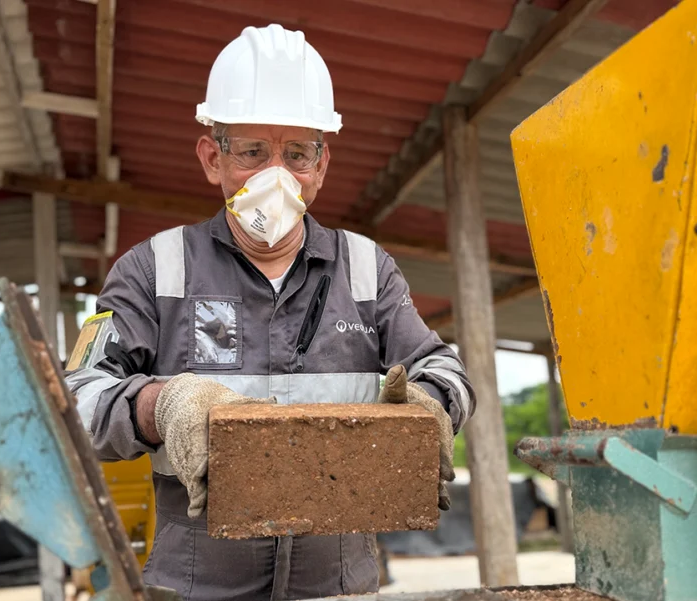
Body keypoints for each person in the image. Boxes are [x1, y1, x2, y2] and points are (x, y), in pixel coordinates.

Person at [64, 23, 475, 601]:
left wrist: (431, 406)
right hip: (197, 586)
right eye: (253, 151)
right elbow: (75, 401)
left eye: (297, 154)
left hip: (337, 586)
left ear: (322, 164)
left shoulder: (365, 269)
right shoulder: (153, 269)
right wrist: (162, 405)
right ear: (213, 157)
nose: (276, 176)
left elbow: (445, 368)